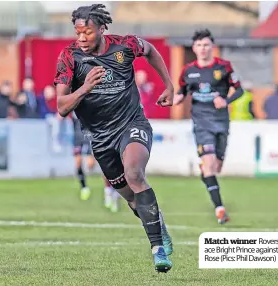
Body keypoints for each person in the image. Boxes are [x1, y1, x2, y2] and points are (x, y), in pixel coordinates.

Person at [54, 4, 174, 272]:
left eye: (87, 32)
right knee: (131, 198)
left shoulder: (125, 45)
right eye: (78, 32)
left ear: (102, 28)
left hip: (132, 124)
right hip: (100, 137)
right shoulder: (69, 57)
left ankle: (158, 249)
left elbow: (151, 51)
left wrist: (168, 85)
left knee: (134, 174)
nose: (81, 38)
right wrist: (85, 87)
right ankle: (159, 226)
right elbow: (62, 107)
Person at [174, 29, 244, 225]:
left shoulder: (224, 67)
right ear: (194, 48)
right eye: (199, 45)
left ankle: (206, 172)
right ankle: (220, 209)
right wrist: (174, 100)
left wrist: (226, 100)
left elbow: (239, 90)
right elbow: (182, 92)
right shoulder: (188, 71)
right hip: (201, 123)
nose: (203, 49)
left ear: (212, 47)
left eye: (206, 45)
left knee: (215, 167)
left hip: (221, 122)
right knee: (210, 164)